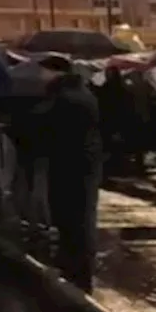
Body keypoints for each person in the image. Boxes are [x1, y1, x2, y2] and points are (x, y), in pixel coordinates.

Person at [36, 55, 104, 293]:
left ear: (56, 72)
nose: (40, 76)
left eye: (43, 71)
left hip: (73, 162)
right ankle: (74, 263)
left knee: (75, 215)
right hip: (78, 161)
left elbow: (48, 126)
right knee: (73, 213)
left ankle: (78, 269)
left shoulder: (66, 98)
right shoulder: (78, 93)